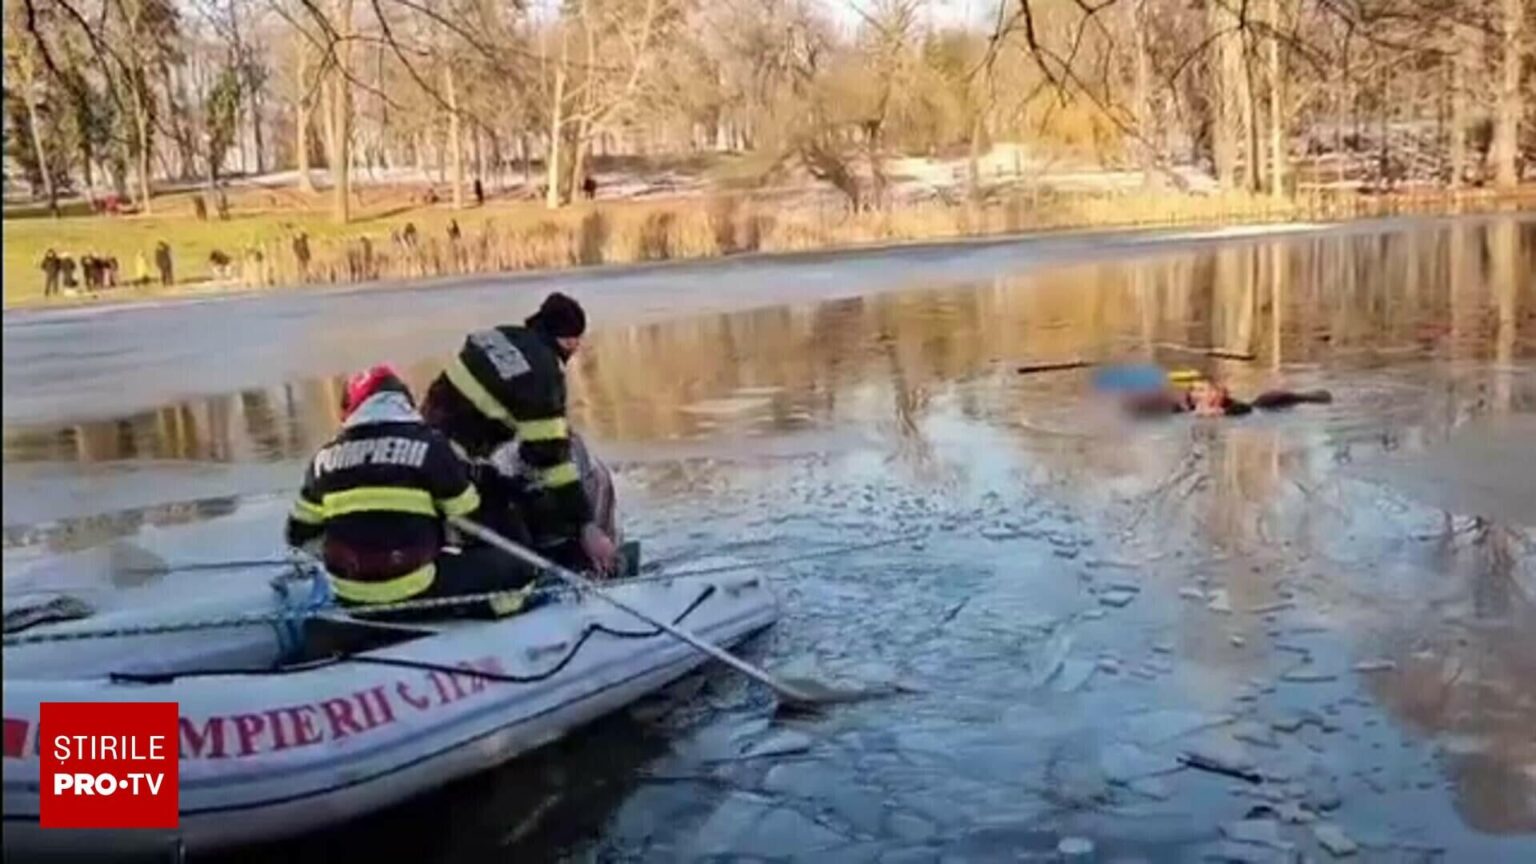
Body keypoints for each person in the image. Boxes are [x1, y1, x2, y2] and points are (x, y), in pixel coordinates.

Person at [285, 365, 538, 619]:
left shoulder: (324, 458)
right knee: (516, 567)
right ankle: (497, 615)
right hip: (415, 587)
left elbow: (298, 533)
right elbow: (471, 518)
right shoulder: (431, 446)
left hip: (349, 594)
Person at [421, 292, 619, 575]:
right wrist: (585, 524)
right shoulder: (544, 375)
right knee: (521, 546)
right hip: (457, 469)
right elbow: (553, 463)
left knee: (510, 489)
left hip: (427, 451)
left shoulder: (500, 336)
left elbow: (498, 406)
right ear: (568, 341)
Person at [1123, 375, 1333, 418]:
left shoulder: (1233, 407)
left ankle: (1312, 396)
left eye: (1203, 390)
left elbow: (1245, 409)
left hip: (1269, 406)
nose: (1196, 394)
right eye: (1194, 390)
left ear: (1218, 394)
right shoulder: (1185, 410)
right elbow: (1164, 409)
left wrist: (1221, 413)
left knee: (1291, 398)